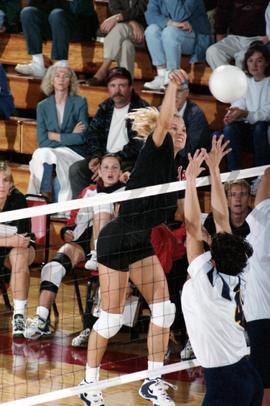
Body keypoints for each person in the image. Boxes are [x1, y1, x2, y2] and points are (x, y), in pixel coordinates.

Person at [78, 69, 189, 406]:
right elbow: (165, 120)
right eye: (174, 127)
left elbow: (180, 216)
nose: (179, 132)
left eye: (183, 129)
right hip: (117, 240)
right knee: (111, 318)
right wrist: (172, 87)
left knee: (165, 311)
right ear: (161, 130)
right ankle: (89, 383)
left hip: (142, 243)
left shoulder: (173, 163)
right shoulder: (156, 149)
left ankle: (152, 382)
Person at [181, 136, 263, 405]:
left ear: (213, 259)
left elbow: (193, 227)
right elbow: (221, 220)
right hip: (249, 375)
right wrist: (215, 172)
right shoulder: (237, 269)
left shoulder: (209, 283)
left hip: (226, 383)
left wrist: (191, 180)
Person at [24, 154, 125, 340]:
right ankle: (42, 319)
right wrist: (66, 232)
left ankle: (93, 326)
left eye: (114, 168)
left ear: (121, 172)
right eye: (106, 168)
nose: (110, 172)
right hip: (83, 241)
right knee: (52, 267)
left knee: (102, 206)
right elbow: (72, 220)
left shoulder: (127, 192)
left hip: (113, 243)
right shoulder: (88, 191)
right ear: (99, 171)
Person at [69, 66, 149, 199]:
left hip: (128, 160)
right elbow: (93, 134)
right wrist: (96, 157)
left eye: (122, 85)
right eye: (113, 85)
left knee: (124, 173)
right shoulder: (105, 107)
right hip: (104, 156)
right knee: (77, 170)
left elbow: (139, 143)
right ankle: (80, 213)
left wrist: (112, 160)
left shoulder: (142, 109)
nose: (117, 90)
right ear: (108, 88)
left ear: (130, 87)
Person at [27, 61, 89, 202]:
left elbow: (81, 138)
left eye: (65, 76)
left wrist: (54, 136)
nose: (61, 79)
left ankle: (42, 200)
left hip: (73, 153)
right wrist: (70, 135)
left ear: (70, 80)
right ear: (51, 80)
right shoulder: (42, 106)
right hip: (51, 154)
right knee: (43, 153)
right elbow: (42, 141)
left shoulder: (80, 102)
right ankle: (45, 197)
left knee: (42, 154)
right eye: (57, 76)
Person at [15, 0, 98, 78]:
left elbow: (81, 10)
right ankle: (37, 64)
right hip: (53, 24)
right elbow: (34, 4)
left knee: (57, 14)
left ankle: (61, 66)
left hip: (78, 26)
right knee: (28, 12)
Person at [243, 167, 270, 406]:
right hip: (259, 314)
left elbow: (269, 173)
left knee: (262, 382)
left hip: (260, 316)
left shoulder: (263, 217)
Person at [0, 162, 35, 338]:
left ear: (11, 183)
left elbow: (23, 240)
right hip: (5, 246)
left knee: (18, 254)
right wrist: (9, 240)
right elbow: (13, 239)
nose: (1, 185)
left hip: (21, 249)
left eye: (5, 180)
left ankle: (19, 316)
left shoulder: (18, 200)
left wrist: (10, 241)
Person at [143, 0, 210, 91]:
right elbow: (150, 15)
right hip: (172, 33)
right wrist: (170, 23)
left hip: (195, 36)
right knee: (151, 30)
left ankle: (174, 76)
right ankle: (162, 75)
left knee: (169, 32)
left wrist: (172, 24)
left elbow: (179, 16)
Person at [223, 42, 270, 170]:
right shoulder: (244, 80)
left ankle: (261, 175)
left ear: (266, 63)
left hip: (263, 129)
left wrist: (246, 114)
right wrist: (233, 112)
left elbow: (267, 113)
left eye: (259, 61)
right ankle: (234, 174)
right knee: (229, 128)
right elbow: (239, 101)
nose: (254, 65)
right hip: (247, 127)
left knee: (261, 128)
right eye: (250, 61)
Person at [88, 0, 148, 85]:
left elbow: (141, 9)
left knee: (120, 28)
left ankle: (104, 68)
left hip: (144, 32)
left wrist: (121, 17)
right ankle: (126, 83)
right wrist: (131, 22)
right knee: (126, 44)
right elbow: (115, 10)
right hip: (126, 31)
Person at [206, 0, 268, 70]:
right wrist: (220, 42)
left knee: (243, 56)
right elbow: (221, 17)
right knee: (213, 51)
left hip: (259, 38)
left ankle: (244, 80)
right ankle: (230, 80)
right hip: (234, 38)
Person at [166, 80, 211, 165]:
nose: (174, 95)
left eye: (179, 91)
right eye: (171, 91)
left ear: (186, 93)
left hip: (192, 164)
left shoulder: (196, 115)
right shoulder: (160, 111)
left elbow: (188, 151)